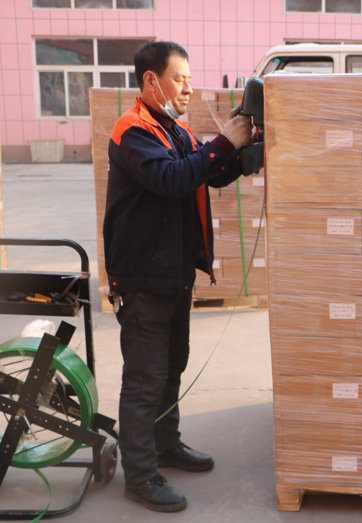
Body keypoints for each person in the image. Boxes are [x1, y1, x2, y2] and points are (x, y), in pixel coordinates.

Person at [103, 41, 253, 512]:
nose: (189, 88)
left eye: (190, 79)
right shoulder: (133, 131)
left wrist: (245, 150)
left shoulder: (175, 129)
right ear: (151, 80)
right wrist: (225, 141)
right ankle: (140, 477)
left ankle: (165, 445)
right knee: (144, 379)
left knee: (172, 366)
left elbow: (209, 173)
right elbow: (171, 179)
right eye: (180, 79)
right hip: (143, 276)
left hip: (173, 272)